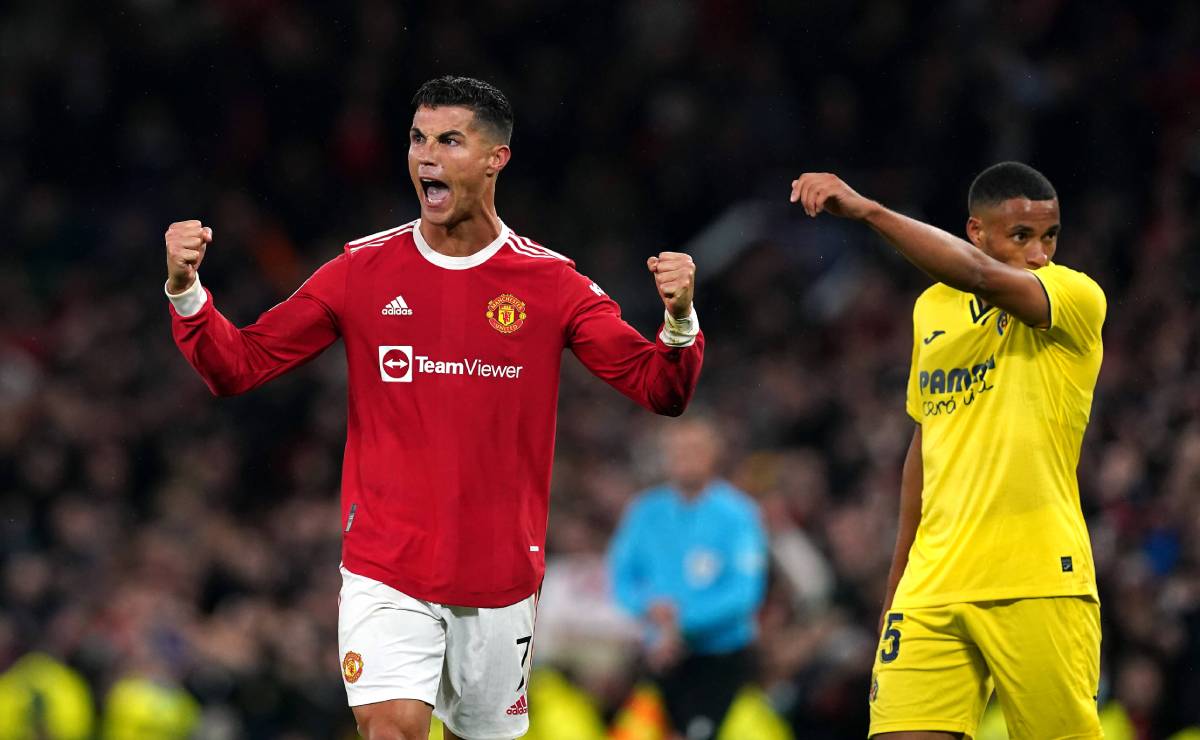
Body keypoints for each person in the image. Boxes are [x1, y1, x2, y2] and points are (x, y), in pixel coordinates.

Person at [163, 76, 705, 740]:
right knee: (391, 729)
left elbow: (660, 389)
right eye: (418, 139)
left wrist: (678, 320)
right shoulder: (361, 270)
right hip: (387, 566)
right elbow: (238, 365)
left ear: (495, 158)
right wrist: (187, 293)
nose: (426, 156)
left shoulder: (552, 284)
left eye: (450, 140)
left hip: (501, 579)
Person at [790, 162, 1105, 739]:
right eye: (1021, 237)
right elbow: (924, 445)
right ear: (976, 231)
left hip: (1036, 576)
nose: (1040, 253)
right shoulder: (932, 309)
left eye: (1050, 234)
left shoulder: (1074, 296)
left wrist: (869, 211)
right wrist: (896, 588)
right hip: (932, 585)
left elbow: (982, 278)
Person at [608, 416, 767, 740]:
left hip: (718, 659)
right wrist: (648, 608)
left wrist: (679, 623)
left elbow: (744, 592)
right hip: (658, 656)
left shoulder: (738, 515)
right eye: (677, 450)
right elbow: (622, 576)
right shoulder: (645, 511)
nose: (685, 457)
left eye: (694, 449)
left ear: (713, 454)